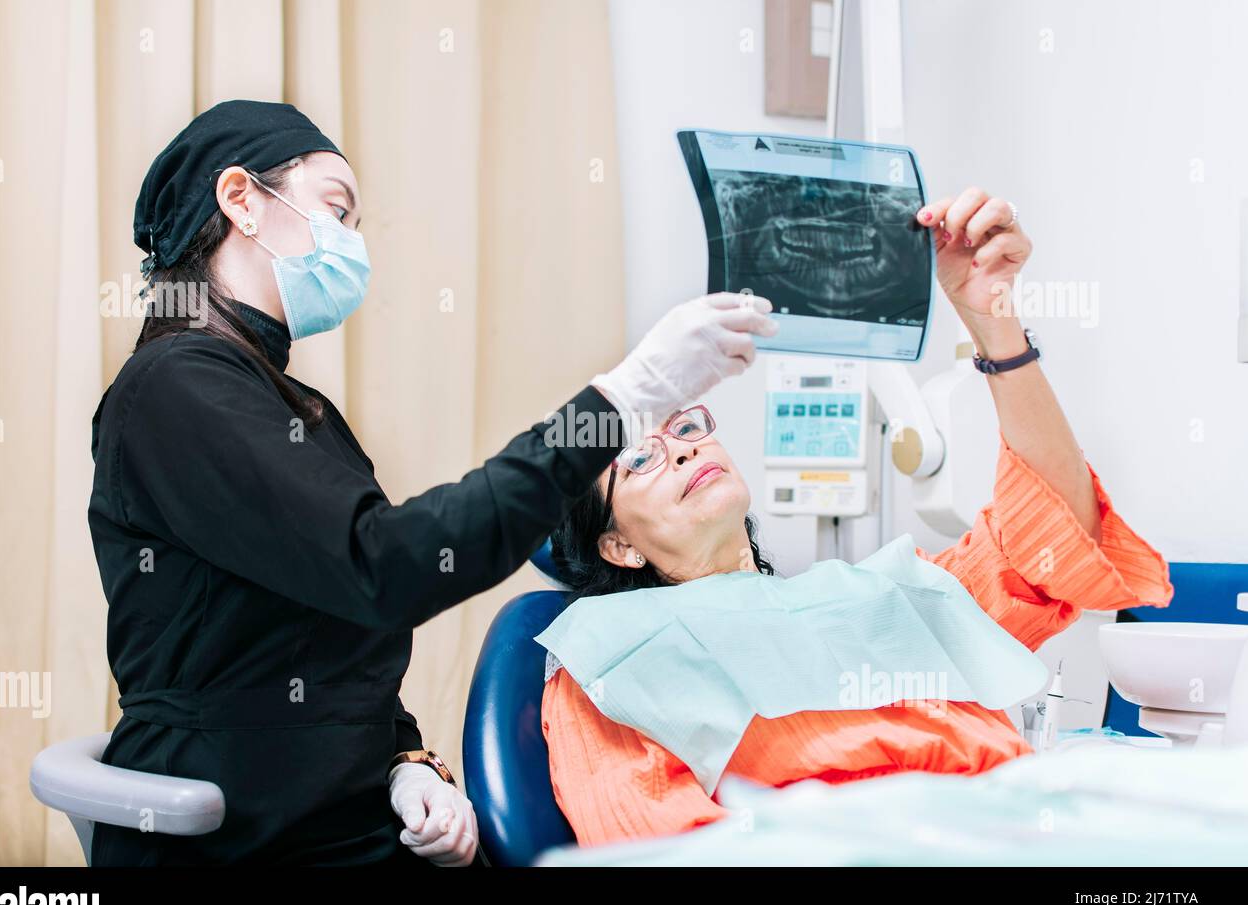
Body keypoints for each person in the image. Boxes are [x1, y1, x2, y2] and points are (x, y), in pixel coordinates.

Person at [87, 99, 776, 865]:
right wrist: (621, 400)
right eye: (335, 210)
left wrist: (407, 761)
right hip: (245, 832)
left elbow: (332, 636)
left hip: (343, 814)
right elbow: (389, 567)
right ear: (241, 200)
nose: (350, 244)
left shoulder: (284, 404)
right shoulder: (173, 391)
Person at [542, 189, 1174, 847]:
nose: (680, 449)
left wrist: (994, 323)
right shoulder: (610, 654)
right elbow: (659, 849)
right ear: (617, 544)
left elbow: (1053, 541)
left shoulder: (880, 597)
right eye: (640, 457)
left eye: (686, 425)